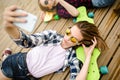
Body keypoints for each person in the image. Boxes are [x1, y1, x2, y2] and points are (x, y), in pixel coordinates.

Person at [1, 5, 107, 80]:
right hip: (16, 64)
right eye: (68, 32)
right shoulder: (52, 35)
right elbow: (27, 42)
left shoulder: (73, 58)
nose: (67, 38)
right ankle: (6, 57)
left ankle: (5, 55)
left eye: (73, 39)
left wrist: (88, 56)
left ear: (80, 43)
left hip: (30, 77)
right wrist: (9, 28)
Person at [39, 0, 115, 19]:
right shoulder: (60, 11)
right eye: (46, 2)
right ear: (49, 7)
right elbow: (76, 13)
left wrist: (42, 10)